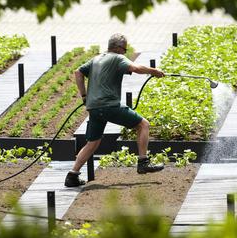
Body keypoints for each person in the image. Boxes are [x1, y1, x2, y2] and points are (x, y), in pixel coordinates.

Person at [64, 33, 165, 188]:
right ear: (118, 48)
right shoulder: (117, 58)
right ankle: (143, 161)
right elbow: (135, 68)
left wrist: (84, 96)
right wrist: (154, 71)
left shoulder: (96, 59)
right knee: (143, 125)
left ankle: (72, 176)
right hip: (109, 106)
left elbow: (78, 73)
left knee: (92, 142)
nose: (125, 53)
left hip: (94, 108)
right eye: (124, 49)